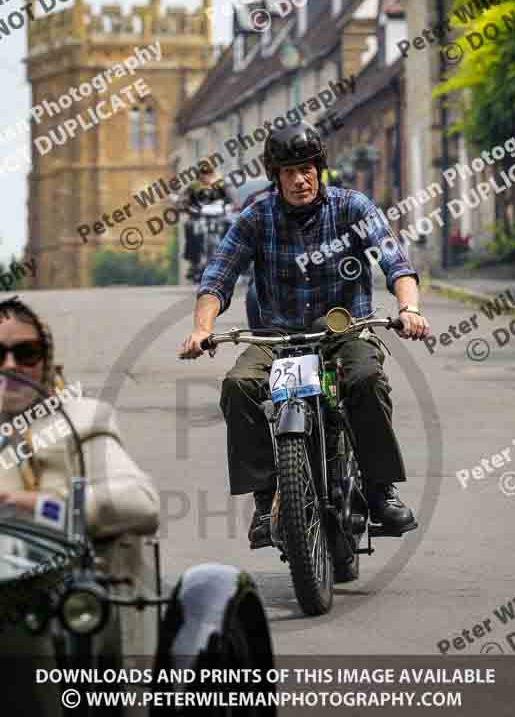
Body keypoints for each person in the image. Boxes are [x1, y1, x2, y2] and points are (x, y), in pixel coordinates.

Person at [180, 121, 430, 549]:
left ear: (320, 168)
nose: (300, 179)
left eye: (307, 168)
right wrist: (201, 329)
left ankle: (380, 490)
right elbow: (217, 277)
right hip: (278, 337)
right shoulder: (256, 217)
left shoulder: (353, 208)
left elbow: (396, 264)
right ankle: (264, 503)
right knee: (239, 386)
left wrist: (409, 309)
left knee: (366, 379)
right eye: (289, 171)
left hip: (345, 328)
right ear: (276, 177)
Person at [0, 296, 160, 654]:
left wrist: (46, 507)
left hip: (60, 597)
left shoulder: (83, 418)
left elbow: (141, 501)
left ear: (45, 360)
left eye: (25, 353)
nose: (9, 366)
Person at [179, 160, 232, 282]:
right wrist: (185, 206)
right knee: (189, 226)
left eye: (208, 172)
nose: (205, 175)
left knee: (231, 226)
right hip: (198, 218)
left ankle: (231, 257)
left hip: (219, 217)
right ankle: (194, 261)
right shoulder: (193, 186)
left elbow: (230, 197)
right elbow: (183, 200)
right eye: (203, 172)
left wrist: (234, 204)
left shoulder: (220, 184)